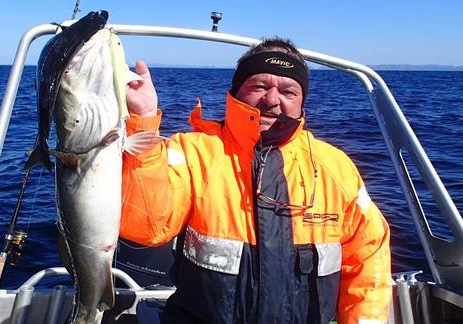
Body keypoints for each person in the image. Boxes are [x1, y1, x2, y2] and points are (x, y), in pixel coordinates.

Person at [120, 37, 392, 324]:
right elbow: (146, 226)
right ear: (236, 92)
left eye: (289, 91)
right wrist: (143, 117)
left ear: (302, 102)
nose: (272, 100)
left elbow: (368, 255)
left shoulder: (335, 167)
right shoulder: (192, 152)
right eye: (259, 86)